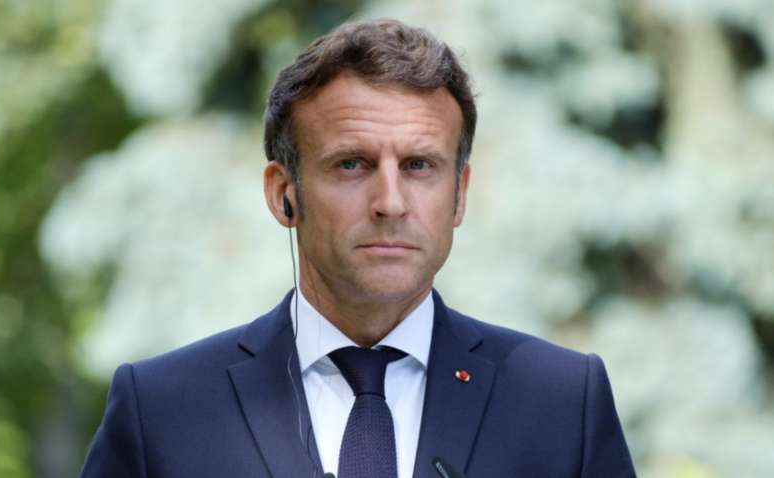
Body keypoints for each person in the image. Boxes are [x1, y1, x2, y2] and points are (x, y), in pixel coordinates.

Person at [80, 19, 636, 478]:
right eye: (352, 164)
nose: (390, 202)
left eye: (419, 166)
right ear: (283, 193)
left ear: (459, 194)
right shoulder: (162, 409)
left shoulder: (563, 403)